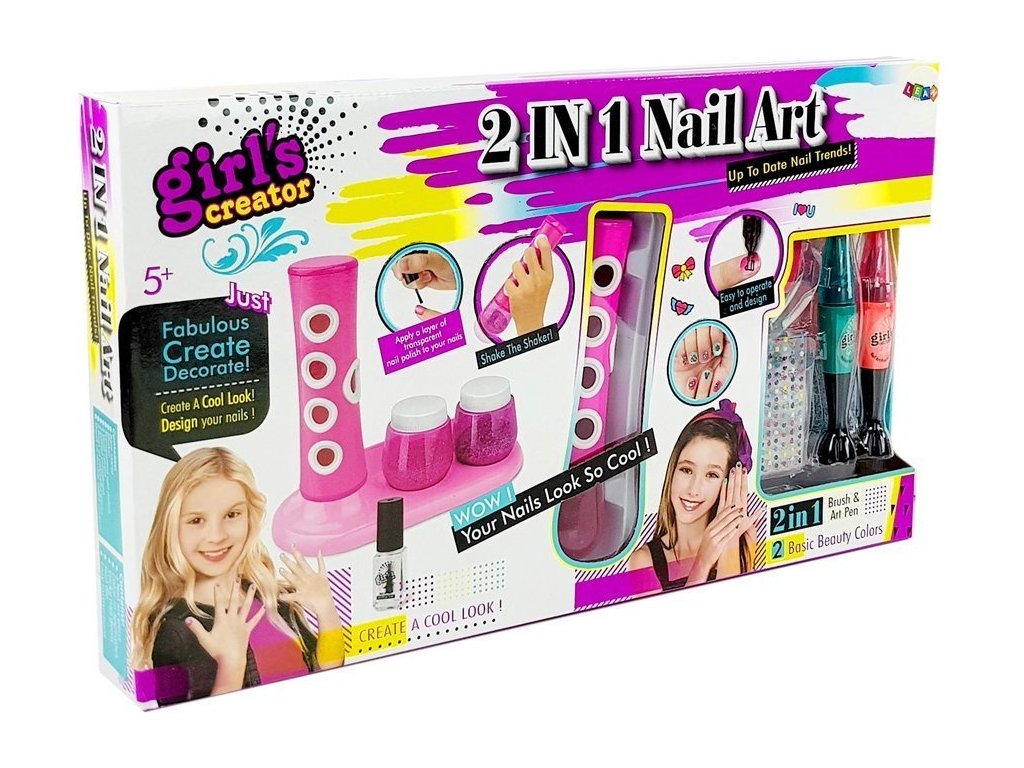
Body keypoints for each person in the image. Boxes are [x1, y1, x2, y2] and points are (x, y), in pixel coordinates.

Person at [130, 447, 345, 705]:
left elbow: (326, 675)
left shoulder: (274, 601)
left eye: (232, 515)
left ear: (250, 518)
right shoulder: (176, 629)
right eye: (196, 520)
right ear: (170, 526)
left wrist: (326, 610)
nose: (216, 536)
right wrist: (230, 666)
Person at [628, 400, 755, 590]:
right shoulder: (643, 561)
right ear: (672, 469)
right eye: (686, 470)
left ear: (730, 482)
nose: (693, 489)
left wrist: (729, 540)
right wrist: (702, 563)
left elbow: (731, 605)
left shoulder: (744, 539)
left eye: (711, 475)